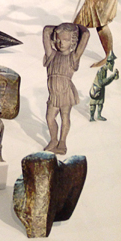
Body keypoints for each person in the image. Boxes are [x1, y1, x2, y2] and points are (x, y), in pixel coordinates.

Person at [42, 23, 89, 155]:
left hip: (65, 92)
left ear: (73, 41)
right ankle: (53, 140)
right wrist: (59, 29)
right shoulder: (51, 54)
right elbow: (46, 31)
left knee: (65, 117)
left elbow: (86, 35)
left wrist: (77, 27)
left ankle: (62, 142)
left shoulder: (73, 57)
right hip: (53, 93)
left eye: (66, 40)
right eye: (59, 39)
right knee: (50, 118)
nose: (61, 43)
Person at [89, 52, 119, 121]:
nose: (113, 65)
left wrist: (114, 76)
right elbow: (101, 82)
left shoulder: (105, 70)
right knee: (93, 104)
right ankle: (91, 117)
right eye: (112, 63)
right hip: (96, 89)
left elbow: (105, 82)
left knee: (100, 103)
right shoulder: (101, 70)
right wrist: (111, 77)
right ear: (109, 63)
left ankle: (99, 115)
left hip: (101, 89)